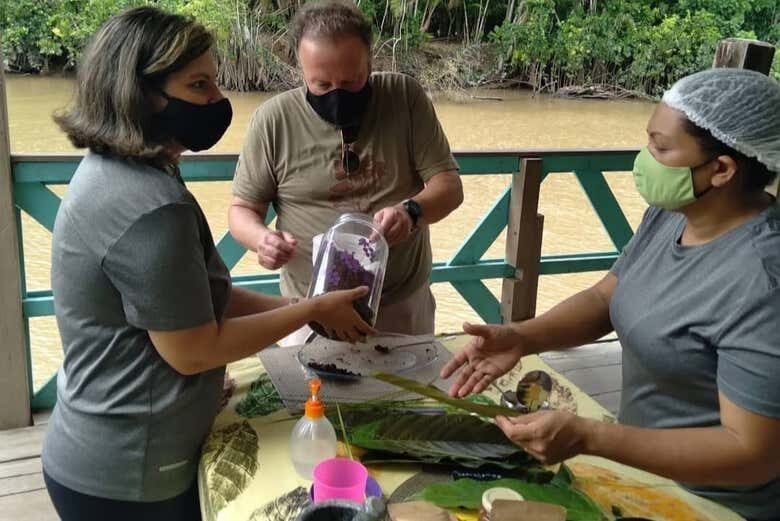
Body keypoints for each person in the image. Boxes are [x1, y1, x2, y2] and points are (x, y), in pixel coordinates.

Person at [42, 7, 373, 521]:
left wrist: (306, 308)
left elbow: (194, 301)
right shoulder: (151, 207)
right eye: (199, 86)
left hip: (101, 446)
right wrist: (311, 309)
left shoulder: (116, 171)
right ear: (140, 92)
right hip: (131, 474)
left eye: (214, 82)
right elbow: (194, 350)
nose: (218, 101)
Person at [442, 68, 780, 521]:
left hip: (716, 506)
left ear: (721, 170)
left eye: (660, 148)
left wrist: (591, 437)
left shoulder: (763, 280)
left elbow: (752, 452)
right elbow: (607, 297)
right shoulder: (672, 215)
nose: (645, 159)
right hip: (640, 472)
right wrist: (523, 337)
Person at [228, 0, 463, 343]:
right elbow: (242, 210)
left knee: (405, 396)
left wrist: (412, 212)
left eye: (351, 82)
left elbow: (449, 186)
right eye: (321, 85)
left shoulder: (404, 97)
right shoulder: (273, 120)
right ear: (300, 68)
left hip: (400, 302)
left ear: (370, 61)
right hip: (308, 306)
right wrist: (262, 240)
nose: (337, 94)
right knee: (311, 396)